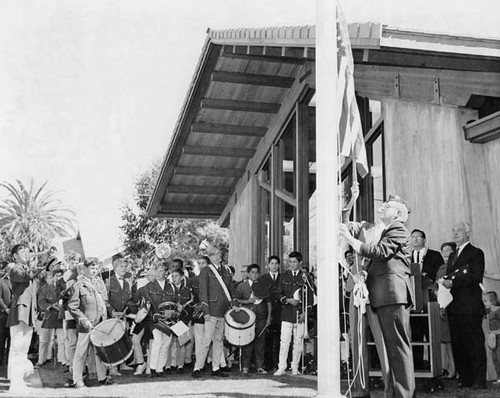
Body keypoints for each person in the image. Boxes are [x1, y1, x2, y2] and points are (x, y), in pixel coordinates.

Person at [340, 194, 415, 398]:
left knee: (394, 347)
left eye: (387, 206)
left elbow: (380, 253)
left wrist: (350, 240)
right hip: (370, 293)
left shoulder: (396, 229)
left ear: (398, 213)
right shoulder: (374, 228)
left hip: (388, 294)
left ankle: (398, 392)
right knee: (376, 344)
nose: (382, 208)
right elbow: (342, 223)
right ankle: (370, 390)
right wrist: (364, 273)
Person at [442, 221, 486, 389]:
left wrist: (453, 283)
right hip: (454, 307)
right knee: (459, 344)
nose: (455, 233)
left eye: (459, 230)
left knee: (474, 343)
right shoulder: (453, 255)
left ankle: (478, 380)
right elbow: (448, 279)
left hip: (470, 307)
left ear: (468, 233)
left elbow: (476, 276)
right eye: (453, 230)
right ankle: (465, 378)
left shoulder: (476, 253)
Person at [67, 257, 113, 388]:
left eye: (96, 268)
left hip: (100, 324)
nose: (94, 271)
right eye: (91, 268)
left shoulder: (99, 283)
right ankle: (77, 380)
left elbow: (104, 301)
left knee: (100, 352)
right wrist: (83, 319)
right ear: (84, 269)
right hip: (86, 325)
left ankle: (102, 377)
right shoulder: (78, 286)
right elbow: (72, 306)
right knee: (80, 352)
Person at [7, 243, 45, 392]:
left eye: (28, 251)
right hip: (19, 312)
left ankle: (17, 381)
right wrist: (41, 264)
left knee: (22, 350)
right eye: (22, 251)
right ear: (15, 255)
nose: (26, 253)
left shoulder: (25, 268)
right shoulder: (15, 268)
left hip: (27, 313)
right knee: (17, 348)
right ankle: (16, 384)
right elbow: (26, 276)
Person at [191, 255, 237, 378]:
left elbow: (231, 289)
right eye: (213, 255)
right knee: (206, 340)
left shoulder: (226, 270)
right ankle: (198, 367)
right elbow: (203, 292)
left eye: (218, 254)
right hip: (211, 310)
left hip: (223, 310)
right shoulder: (206, 271)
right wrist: (206, 311)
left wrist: (234, 304)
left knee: (218, 340)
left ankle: (216, 367)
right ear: (210, 257)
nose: (217, 257)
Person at [274, 251, 314, 377]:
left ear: (300, 263)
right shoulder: (284, 276)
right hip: (286, 313)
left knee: (298, 342)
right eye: (290, 262)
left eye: (294, 262)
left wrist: (306, 313)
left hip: (300, 314)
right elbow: (278, 294)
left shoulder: (306, 277)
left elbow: (311, 297)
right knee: (284, 341)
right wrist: (287, 300)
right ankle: (281, 367)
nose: (292, 264)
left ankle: (295, 367)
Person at [409, 228, 444, 370]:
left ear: (424, 240)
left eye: (419, 237)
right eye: (413, 237)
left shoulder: (434, 255)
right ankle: (417, 367)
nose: (416, 239)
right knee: (415, 334)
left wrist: (431, 282)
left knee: (431, 334)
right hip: (413, 301)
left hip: (429, 299)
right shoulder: (406, 256)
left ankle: (433, 367)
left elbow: (441, 274)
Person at [235, 264, 272, 374]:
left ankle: (259, 366)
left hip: (261, 317)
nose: (255, 274)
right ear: (248, 273)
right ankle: (245, 366)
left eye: (257, 272)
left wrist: (269, 317)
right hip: (247, 319)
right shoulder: (242, 286)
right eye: (252, 272)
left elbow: (269, 302)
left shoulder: (263, 285)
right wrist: (247, 302)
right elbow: (235, 300)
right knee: (247, 342)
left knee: (260, 343)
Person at [106, 253, 135, 375]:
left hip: (124, 317)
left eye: (125, 266)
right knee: (113, 341)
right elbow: (106, 300)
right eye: (121, 266)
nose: (124, 269)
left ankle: (123, 364)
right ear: (115, 268)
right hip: (112, 317)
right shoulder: (108, 281)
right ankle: (113, 368)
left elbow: (129, 299)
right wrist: (112, 312)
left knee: (123, 339)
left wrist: (128, 310)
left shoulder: (128, 281)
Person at [36, 270, 64, 367]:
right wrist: (51, 306)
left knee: (62, 340)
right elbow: (41, 302)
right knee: (44, 340)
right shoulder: (45, 289)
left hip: (60, 317)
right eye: (56, 276)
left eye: (61, 276)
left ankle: (62, 361)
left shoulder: (64, 289)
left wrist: (61, 306)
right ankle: (41, 360)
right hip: (48, 316)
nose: (58, 278)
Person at [261, 255, 281, 371]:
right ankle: (268, 363)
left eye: (276, 263)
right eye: (272, 263)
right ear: (268, 265)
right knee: (267, 340)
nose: (274, 266)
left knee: (279, 340)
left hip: (280, 313)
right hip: (267, 313)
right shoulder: (263, 279)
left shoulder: (282, 278)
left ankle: (278, 363)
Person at [483, 290, 500, 384]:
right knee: (495, 358)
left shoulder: (498, 311)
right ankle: (498, 376)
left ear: (492, 301)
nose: (484, 303)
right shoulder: (488, 311)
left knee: (499, 356)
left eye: (486, 301)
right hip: (492, 336)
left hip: (498, 336)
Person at [0, 261, 12, 366]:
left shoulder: (17, 282)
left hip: (14, 315)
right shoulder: (1, 281)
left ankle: (10, 361)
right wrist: (5, 309)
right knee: (2, 338)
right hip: (4, 314)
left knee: (12, 339)